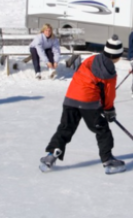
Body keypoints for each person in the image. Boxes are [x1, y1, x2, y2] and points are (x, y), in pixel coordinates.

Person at [39, 34, 125, 175]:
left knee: (66, 128)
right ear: (117, 56)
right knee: (102, 130)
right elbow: (108, 94)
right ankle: (107, 160)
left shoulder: (91, 59)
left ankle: (51, 155)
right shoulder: (110, 72)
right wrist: (108, 109)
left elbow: (82, 76)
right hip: (89, 102)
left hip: (71, 97)